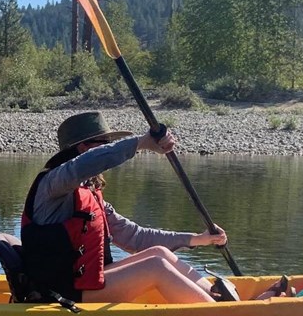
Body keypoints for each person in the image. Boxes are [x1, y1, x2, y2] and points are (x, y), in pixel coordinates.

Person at [21, 111, 232, 304]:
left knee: (159, 253)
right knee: (155, 268)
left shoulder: (90, 195)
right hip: (60, 291)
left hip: (85, 282)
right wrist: (141, 142)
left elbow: (136, 237)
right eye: (104, 144)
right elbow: (85, 164)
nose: (109, 147)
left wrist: (197, 239)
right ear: (84, 148)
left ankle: (219, 299)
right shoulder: (53, 183)